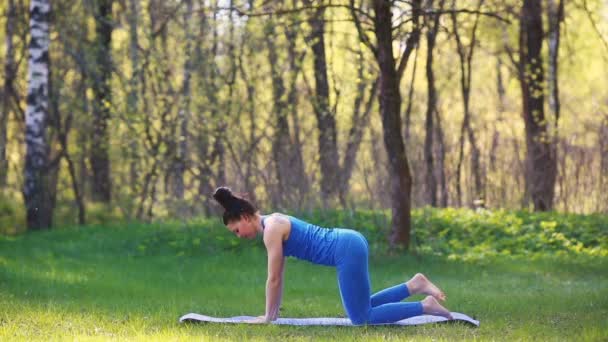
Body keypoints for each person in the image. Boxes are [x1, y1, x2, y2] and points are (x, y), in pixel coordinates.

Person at [212, 186, 453, 325]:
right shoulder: (273, 222)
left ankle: (425, 306)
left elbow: (273, 279)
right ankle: (415, 285)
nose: (238, 236)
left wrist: (267, 317)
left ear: (244, 217)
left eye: (235, 230)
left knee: (361, 319)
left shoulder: (271, 229)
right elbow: (278, 276)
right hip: (349, 242)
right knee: (363, 307)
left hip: (345, 249)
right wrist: (271, 315)